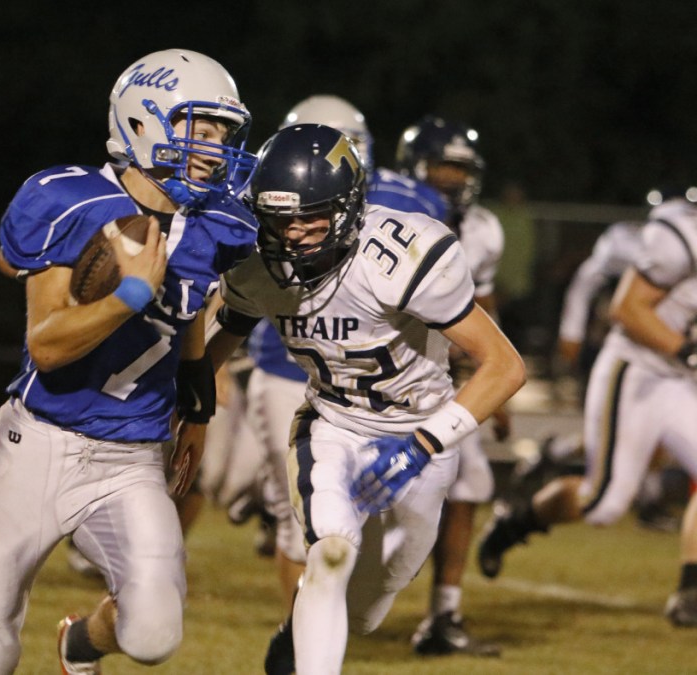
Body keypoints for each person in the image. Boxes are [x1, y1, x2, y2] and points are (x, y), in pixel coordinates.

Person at [0, 48, 259, 674]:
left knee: (154, 631)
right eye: (201, 128)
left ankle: (82, 641)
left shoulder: (222, 223)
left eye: (224, 133)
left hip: (131, 459)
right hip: (37, 443)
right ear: (144, 122)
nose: (216, 148)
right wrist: (129, 295)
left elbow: (198, 313)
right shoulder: (71, 199)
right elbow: (47, 346)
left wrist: (197, 396)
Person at [205, 123, 524, 675]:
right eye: (281, 218)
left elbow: (506, 365)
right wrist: (181, 395)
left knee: (368, 610)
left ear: (349, 207)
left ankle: (297, 635)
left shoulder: (401, 255)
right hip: (332, 424)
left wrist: (424, 443)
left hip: (422, 430)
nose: (295, 234)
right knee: (329, 553)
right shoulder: (257, 266)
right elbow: (220, 336)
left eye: (311, 216)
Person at [477, 188, 697, 629]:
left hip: (681, 378)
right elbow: (628, 309)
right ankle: (513, 525)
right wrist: (689, 350)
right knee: (603, 504)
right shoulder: (683, 236)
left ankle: (691, 587)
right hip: (636, 372)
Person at [393, 115, 509, 656]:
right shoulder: (388, 217)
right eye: (444, 167)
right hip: (385, 373)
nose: (454, 180)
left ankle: (445, 612)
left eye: (462, 170)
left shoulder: (484, 229)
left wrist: (494, 376)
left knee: (469, 488)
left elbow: (481, 308)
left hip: (445, 379)